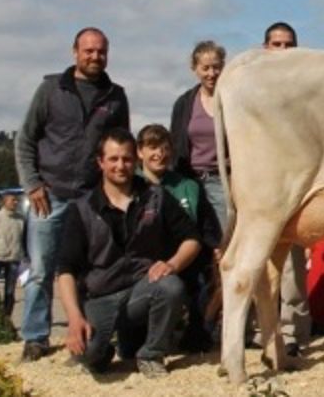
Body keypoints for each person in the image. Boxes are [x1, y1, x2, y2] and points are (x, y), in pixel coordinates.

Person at [15, 27, 130, 361]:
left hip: (90, 199)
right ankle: (35, 336)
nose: (95, 56)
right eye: (88, 50)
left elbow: (121, 146)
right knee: (41, 269)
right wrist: (32, 183)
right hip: (49, 195)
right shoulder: (51, 89)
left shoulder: (115, 96)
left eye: (101, 51)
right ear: (75, 52)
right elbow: (25, 139)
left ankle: (87, 331)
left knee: (90, 270)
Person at [56, 129, 201, 377]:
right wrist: (74, 317)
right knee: (90, 356)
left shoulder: (155, 197)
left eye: (126, 159)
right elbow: (65, 269)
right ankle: (104, 350)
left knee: (171, 286)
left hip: (142, 292)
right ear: (100, 162)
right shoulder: (81, 209)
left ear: (135, 160)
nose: (120, 166)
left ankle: (151, 354)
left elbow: (192, 239)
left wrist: (173, 264)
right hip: (99, 298)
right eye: (113, 159)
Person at [136, 124, 221, 352]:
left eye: (165, 148)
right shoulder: (130, 185)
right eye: (153, 147)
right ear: (140, 152)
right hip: (141, 262)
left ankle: (198, 333)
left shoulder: (188, 186)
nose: (160, 154)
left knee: (206, 275)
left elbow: (205, 224)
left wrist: (216, 247)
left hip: (184, 258)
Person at [260, 21, 311, 357]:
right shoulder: (252, 90)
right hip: (255, 182)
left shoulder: (305, 95)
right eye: (277, 44)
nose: (283, 50)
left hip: (294, 181)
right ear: (265, 48)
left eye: (288, 45)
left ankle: (291, 332)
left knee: (291, 263)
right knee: (251, 258)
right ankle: (261, 331)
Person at [170, 41, 227, 229]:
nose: (212, 73)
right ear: (195, 68)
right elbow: (175, 143)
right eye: (206, 68)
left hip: (222, 182)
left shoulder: (231, 101)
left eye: (216, 67)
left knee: (222, 236)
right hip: (189, 180)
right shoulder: (184, 103)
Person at [0, 193, 25, 319]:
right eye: (12, 200)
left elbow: (24, 239)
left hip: (14, 258)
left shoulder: (21, 219)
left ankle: (6, 319)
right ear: (4, 202)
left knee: (10, 291)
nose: (15, 202)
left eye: (16, 200)